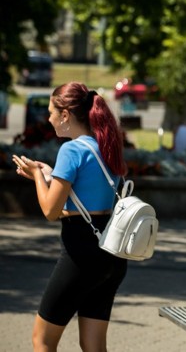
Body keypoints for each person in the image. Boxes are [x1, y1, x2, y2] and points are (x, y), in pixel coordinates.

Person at [12, 82, 128, 352]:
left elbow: (51, 211)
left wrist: (38, 176)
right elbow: (86, 200)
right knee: (94, 345)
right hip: (112, 252)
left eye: (52, 112)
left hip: (82, 254)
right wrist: (53, 174)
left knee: (42, 340)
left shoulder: (71, 150)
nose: (49, 119)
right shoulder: (106, 145)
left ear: (65, 115)